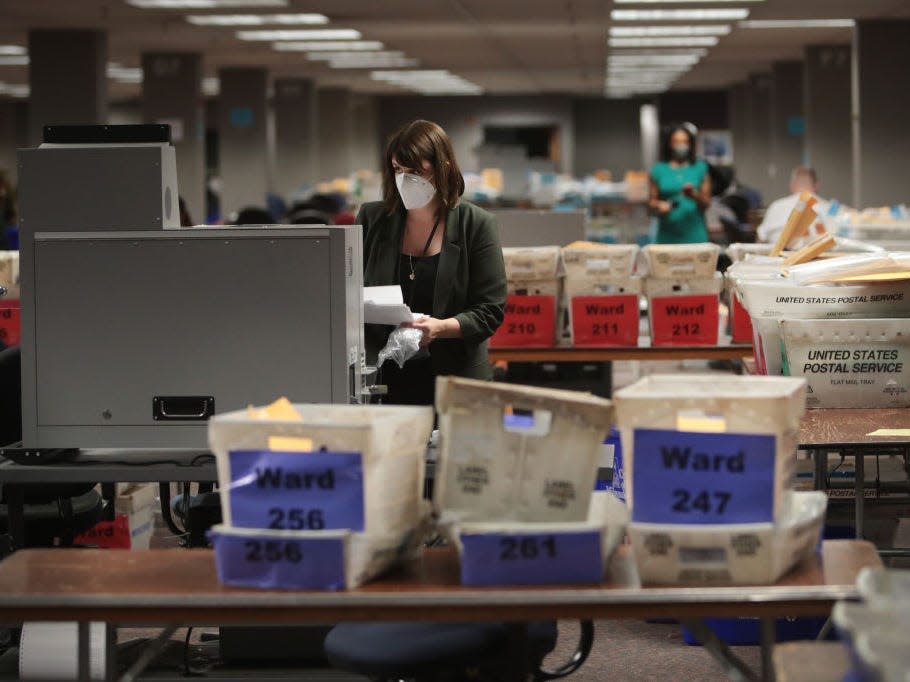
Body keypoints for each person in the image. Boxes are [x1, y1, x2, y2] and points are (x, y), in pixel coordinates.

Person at [359, 119, 507, 405]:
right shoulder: (372, 220)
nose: (404, 179)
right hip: (385, 377)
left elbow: (490, 309)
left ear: (443, 169)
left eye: (415, 172)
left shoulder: (475, 224)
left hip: (456, 379)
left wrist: (441, 328)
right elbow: (348, 290)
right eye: (398, 170)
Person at [648, 123, 712, 244]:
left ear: (690, 144)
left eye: (685, 142)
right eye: (676, 142)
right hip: (667, 236)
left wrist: (694, 195)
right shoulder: (658, 169)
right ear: (669, 144)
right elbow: (650, 204)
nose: (681, 145)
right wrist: (658, 206)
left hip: (695, 235)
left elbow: (707, 203)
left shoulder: (700, 168)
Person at [756, 166, 827, 245]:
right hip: (823, 255)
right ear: (816, 185)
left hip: (778, 255)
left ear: (792, 185)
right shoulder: (829, 208)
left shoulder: (776, 206)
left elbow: (761, 238)